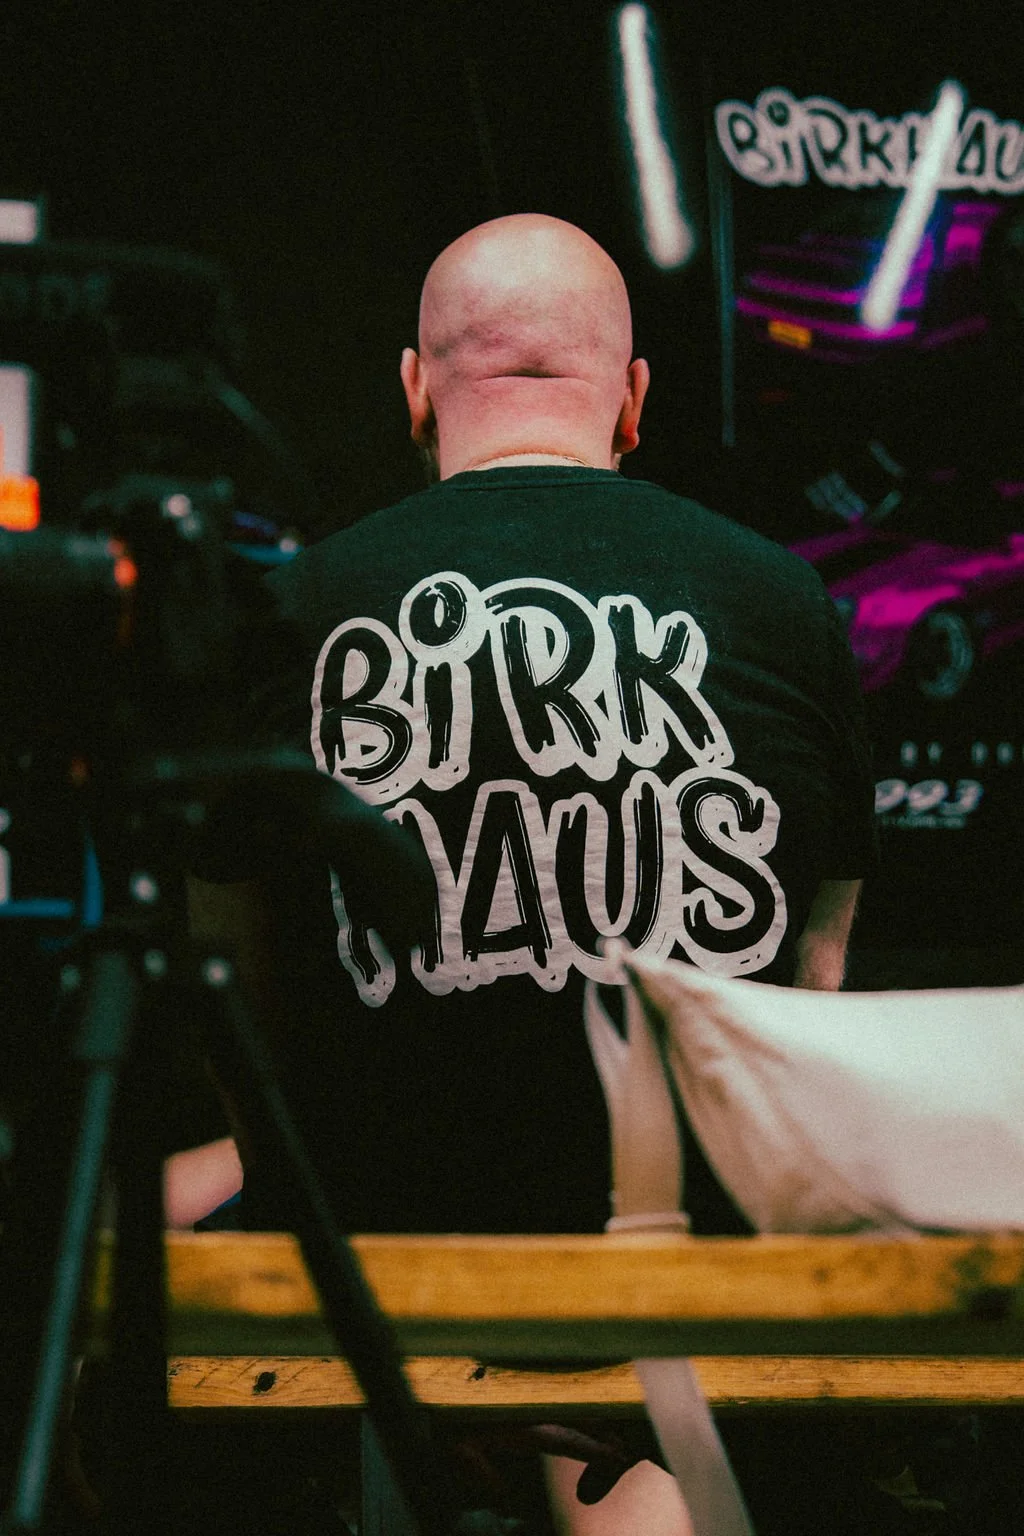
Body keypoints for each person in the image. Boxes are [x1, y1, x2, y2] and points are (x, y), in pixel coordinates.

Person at [188, 213, 876, 1532]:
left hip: (383, 1268)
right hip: (691, 1269)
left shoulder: (291, 610)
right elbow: (815, 984)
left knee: (106, 1338)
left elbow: (239, 1007)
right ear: (633, 400)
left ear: (414, 390)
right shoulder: (789, 602)